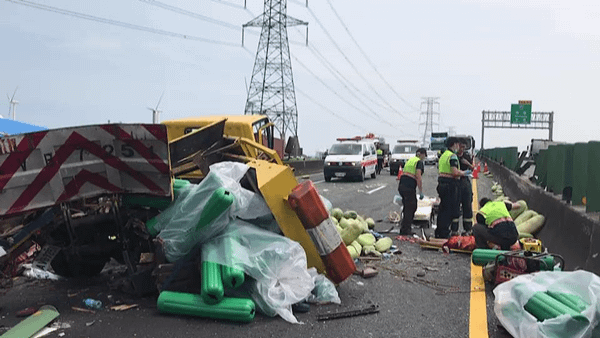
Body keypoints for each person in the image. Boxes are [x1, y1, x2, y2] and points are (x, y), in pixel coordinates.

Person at [436, 137, 471, 238]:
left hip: (441, 183)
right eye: (457, 144)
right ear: (454, 145)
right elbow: (455, 172)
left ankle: (440, 231)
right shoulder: (452, 156)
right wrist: (464, 173)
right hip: (450, 184)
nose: (458, 147)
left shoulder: (443, 155)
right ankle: (445, 233)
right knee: (449, 210)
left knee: (443, 209)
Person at [397, 148, 427, 235]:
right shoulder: (418, 162)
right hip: (409, 186)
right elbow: (418, 177)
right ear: (421, 154)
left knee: (407, 207)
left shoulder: (411, 160)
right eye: (424, 155)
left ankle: (404, 227)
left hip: (402, 184)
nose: (424, 158)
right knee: (411, 207)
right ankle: (406, 229)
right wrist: (420, 191)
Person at [454, 141, 475, 236]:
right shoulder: (453, 156)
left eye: (463, 147)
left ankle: (468, 229)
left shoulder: (467, 156)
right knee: (455, 206)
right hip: (456, 182)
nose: (461, 149)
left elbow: (472, 168)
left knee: (467, 205)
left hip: (465, 181)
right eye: (460, 146)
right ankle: (454, 229)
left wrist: (467, 163)